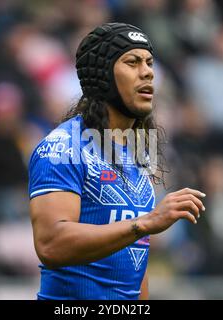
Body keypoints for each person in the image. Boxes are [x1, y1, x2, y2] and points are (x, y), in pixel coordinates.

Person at [28, 22, 206, 300]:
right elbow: (51, 245)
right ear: (103, 75)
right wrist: (146, 223)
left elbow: (135, 260)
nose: (147, 72)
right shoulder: (63, 147)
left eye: (149, 62)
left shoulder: (139, 151)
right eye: (132, 62)